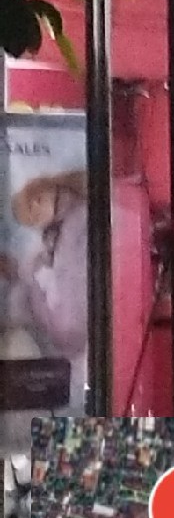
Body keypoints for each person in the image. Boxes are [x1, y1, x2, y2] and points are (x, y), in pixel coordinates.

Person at [0, 172, 87, 407]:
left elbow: (71, 319)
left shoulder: (76, 225)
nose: (37, 221)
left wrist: (33, 283)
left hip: (79, 344)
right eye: (32, 222)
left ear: (39, 197)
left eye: (33, 216)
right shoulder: (55, 235)